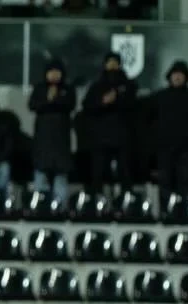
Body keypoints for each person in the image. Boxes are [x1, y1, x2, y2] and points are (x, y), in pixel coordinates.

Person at [83, 52, 137, 194]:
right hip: (101, 137)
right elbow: (87, 107)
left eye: (115, 62)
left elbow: (133, 106)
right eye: (109, 62)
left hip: (123, 136)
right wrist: (103, 102)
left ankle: (126, 202)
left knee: (125, 172)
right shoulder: (96, 87)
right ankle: (97, 202)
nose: (112, 65)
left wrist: (117, 98)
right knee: (98, 173)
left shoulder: (129, 85)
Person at [28, 59, 76, 204]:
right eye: (51, 72)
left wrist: (55, 100)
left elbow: (69, 105)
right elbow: (33, 105)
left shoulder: (68, 89)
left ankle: (60, 207)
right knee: (40, 176)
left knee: (60, 178)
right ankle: (40, 205)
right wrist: (49, 100)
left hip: (61, 142)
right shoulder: (39, 89)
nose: (54, 75)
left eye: (57, 72)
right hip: (43, 142)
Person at [153, 61, 188, 198]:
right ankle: (166, 209)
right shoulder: (160, 97)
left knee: (184, 181)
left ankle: (183, 209)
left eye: (180, 74)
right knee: (165, 182)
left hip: (185, 148)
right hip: (164, 147)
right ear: (170, 76)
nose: (177, 77)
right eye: (175, 74)